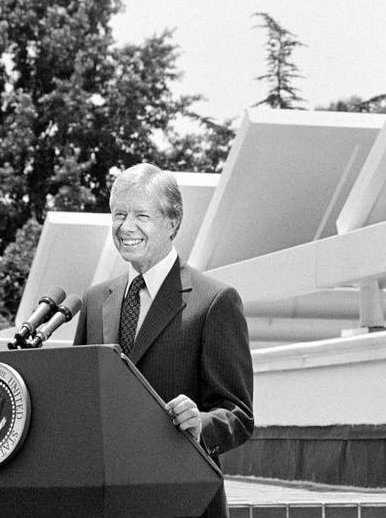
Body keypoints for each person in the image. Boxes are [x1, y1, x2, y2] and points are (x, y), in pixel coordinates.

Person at [74, 163, 254, 518]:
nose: (126, 227)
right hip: (107, 505)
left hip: (184, 504)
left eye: (141, 215)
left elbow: (238, 417)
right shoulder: (95, 301)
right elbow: (80, 401)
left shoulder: (214, 301)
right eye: (118, 214)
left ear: (173, 223)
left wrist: (200, 422)